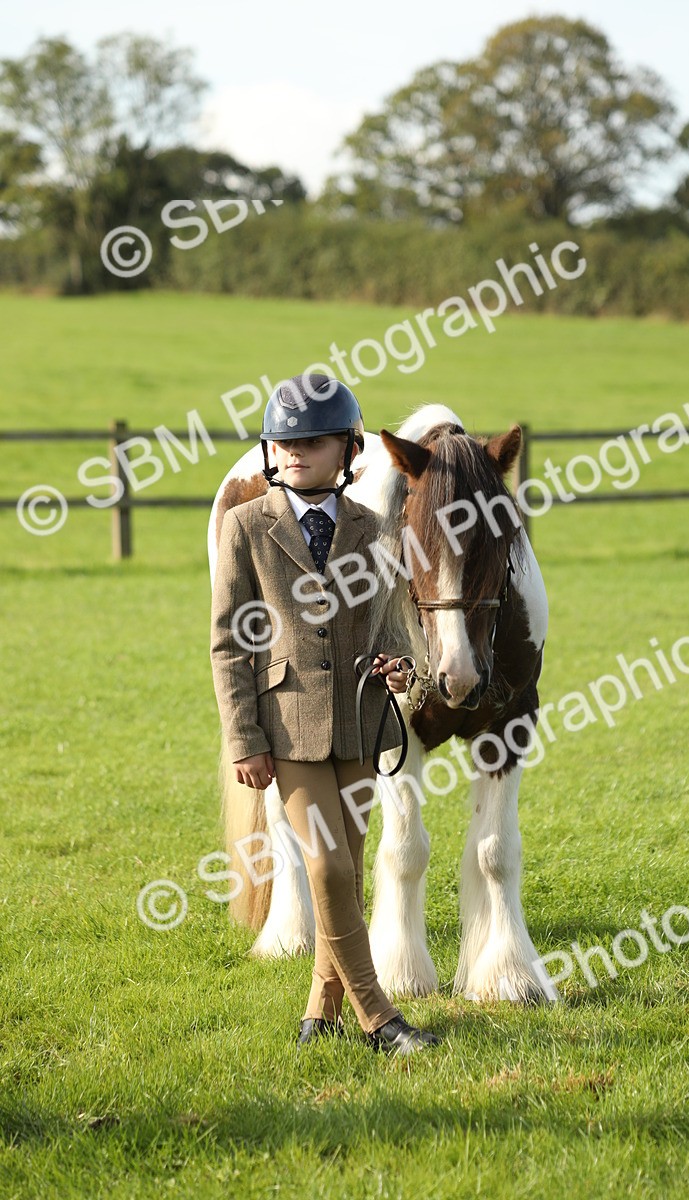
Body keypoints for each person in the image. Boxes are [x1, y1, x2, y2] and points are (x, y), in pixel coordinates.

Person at [210, 373, 440, 1055]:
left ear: (347, 449)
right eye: (283, 441)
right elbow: (228, 642)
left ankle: (319, 1012)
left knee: (349, 863)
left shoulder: (371, 528)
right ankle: (379, 1017)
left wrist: (402, 666)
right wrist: (243, 740)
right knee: (332, 870)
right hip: (288, 732)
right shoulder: (246, 528)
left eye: (311, 441)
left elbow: (389, 623)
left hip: (361, 724)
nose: (294, 452)